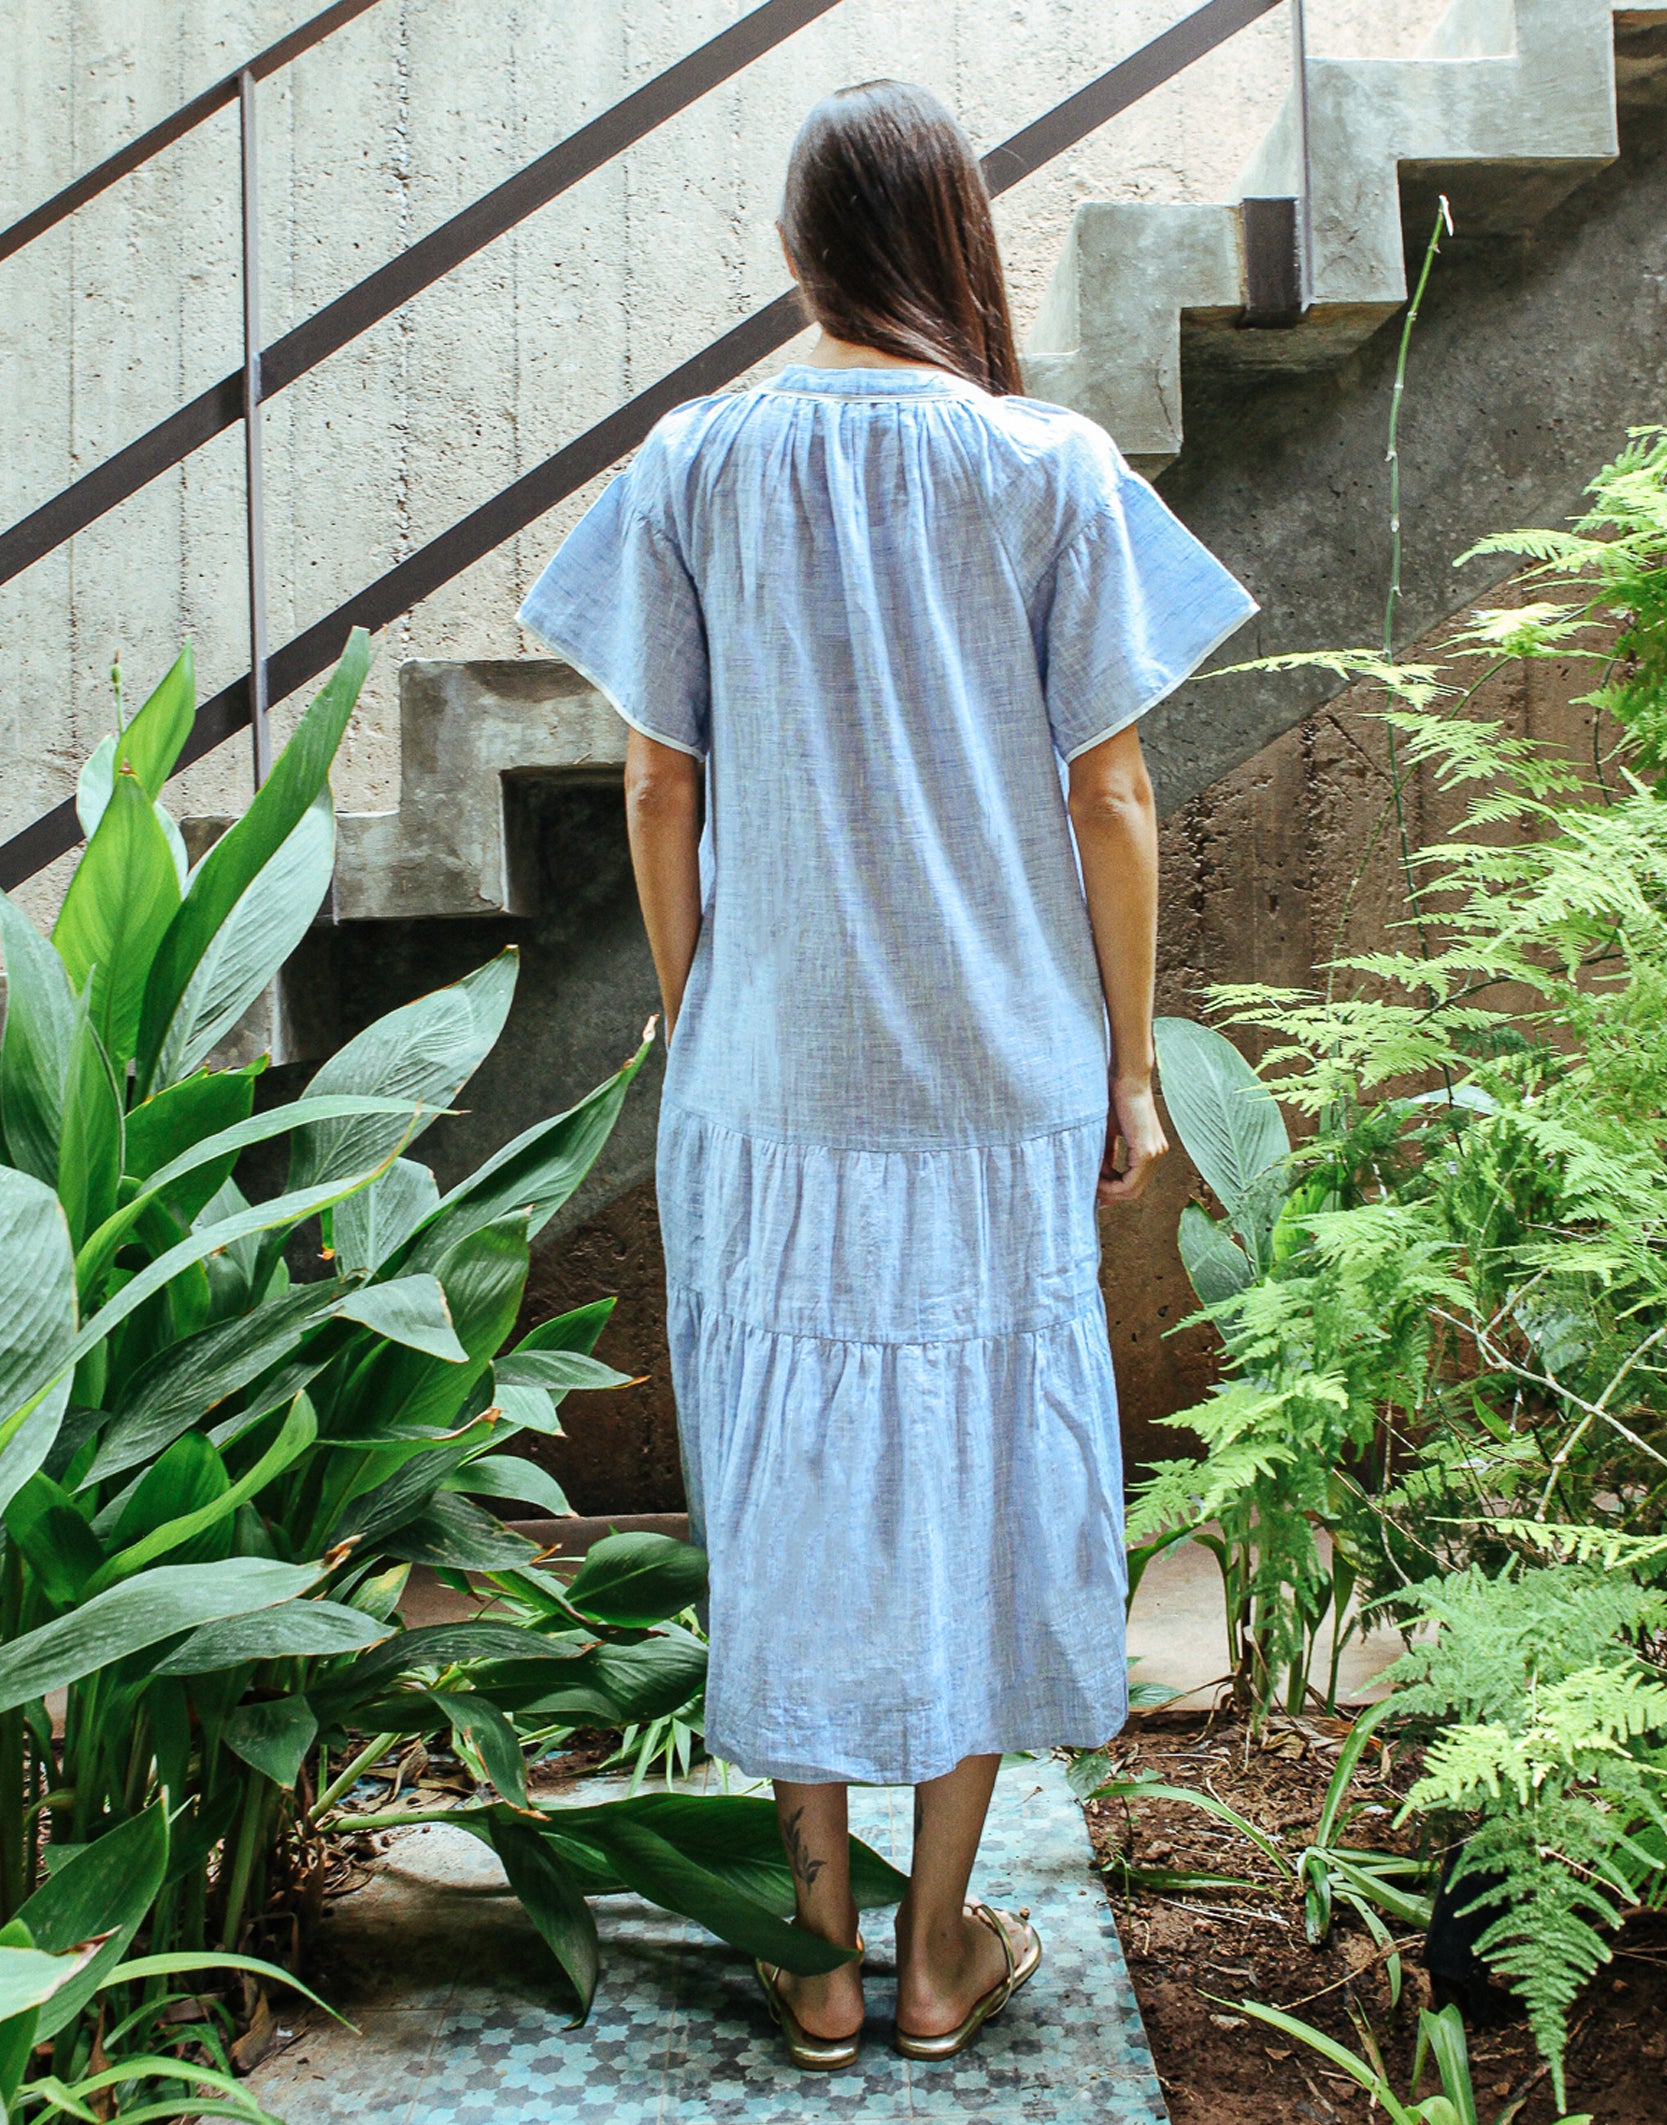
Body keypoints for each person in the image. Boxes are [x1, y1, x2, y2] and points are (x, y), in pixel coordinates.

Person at [517, 77, 1255, 2071]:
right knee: (972, 1472)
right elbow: (1107, 792)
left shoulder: (692, 460)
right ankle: (942, 1956)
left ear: (791, 250)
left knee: (793, 1481)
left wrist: (694, 1005)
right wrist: (1125, 1074)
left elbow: (654, 785)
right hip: (994, 1078)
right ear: (954, 242)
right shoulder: (1045, 461)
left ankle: (818, 1958)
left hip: (770, 1084)